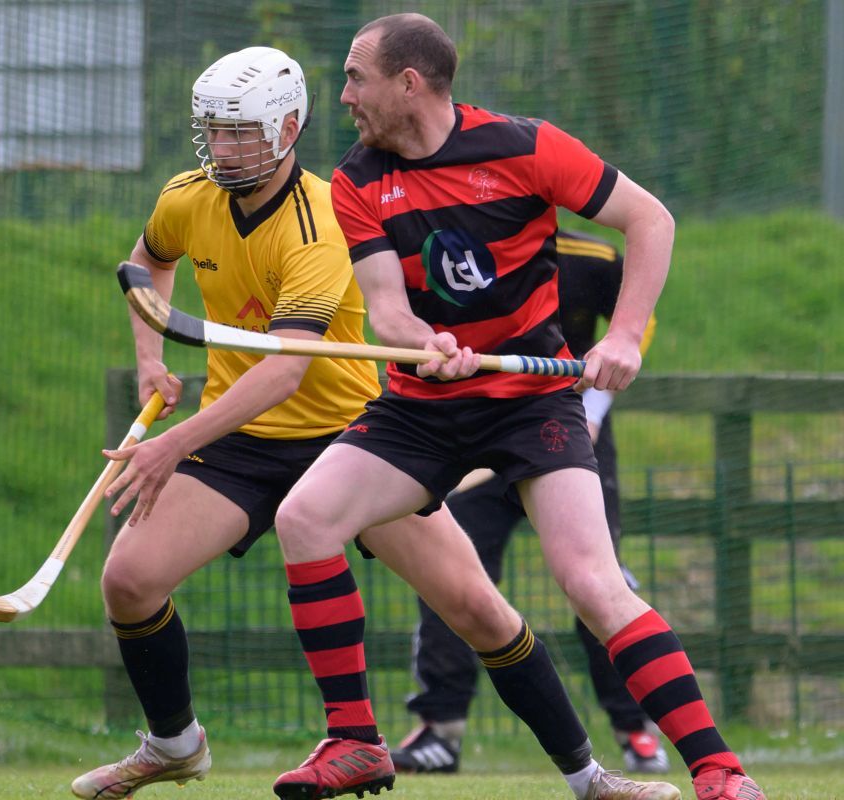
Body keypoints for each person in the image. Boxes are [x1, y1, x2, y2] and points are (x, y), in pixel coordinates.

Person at [72, 46, 678, 800]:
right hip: (242, 441)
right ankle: (175, 744)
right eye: (213, 132)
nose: (222, 148)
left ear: (287, 128)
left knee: (477, 611)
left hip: (349, 435)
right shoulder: (185, 196)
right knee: (129, 580)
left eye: (241, 132)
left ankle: (590, 778)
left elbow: (286, 370)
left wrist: (172, 444)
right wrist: (149, 362)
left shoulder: (320, 219)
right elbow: (145, 267)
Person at [272, 13, 767, 800]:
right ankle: (356, 740)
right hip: (420, 407)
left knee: (595, 586)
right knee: (304, 520)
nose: (344, 96)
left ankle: (719, 769)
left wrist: (628, 337)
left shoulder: (525, 146)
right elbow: (386, 310)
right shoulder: (358, 177)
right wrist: (423, 343)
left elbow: (651, 220)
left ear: (410, 83)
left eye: (356, 77)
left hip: (529, 402)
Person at [391, 231, 671, 776]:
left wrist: (593, 409)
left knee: (600, 583)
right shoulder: (451, 247)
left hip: (567, 432)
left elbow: (636, 327)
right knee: (449, 576)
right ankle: (439, 731)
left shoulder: (594, 258)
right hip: (475, 437)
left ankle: (636, 729)